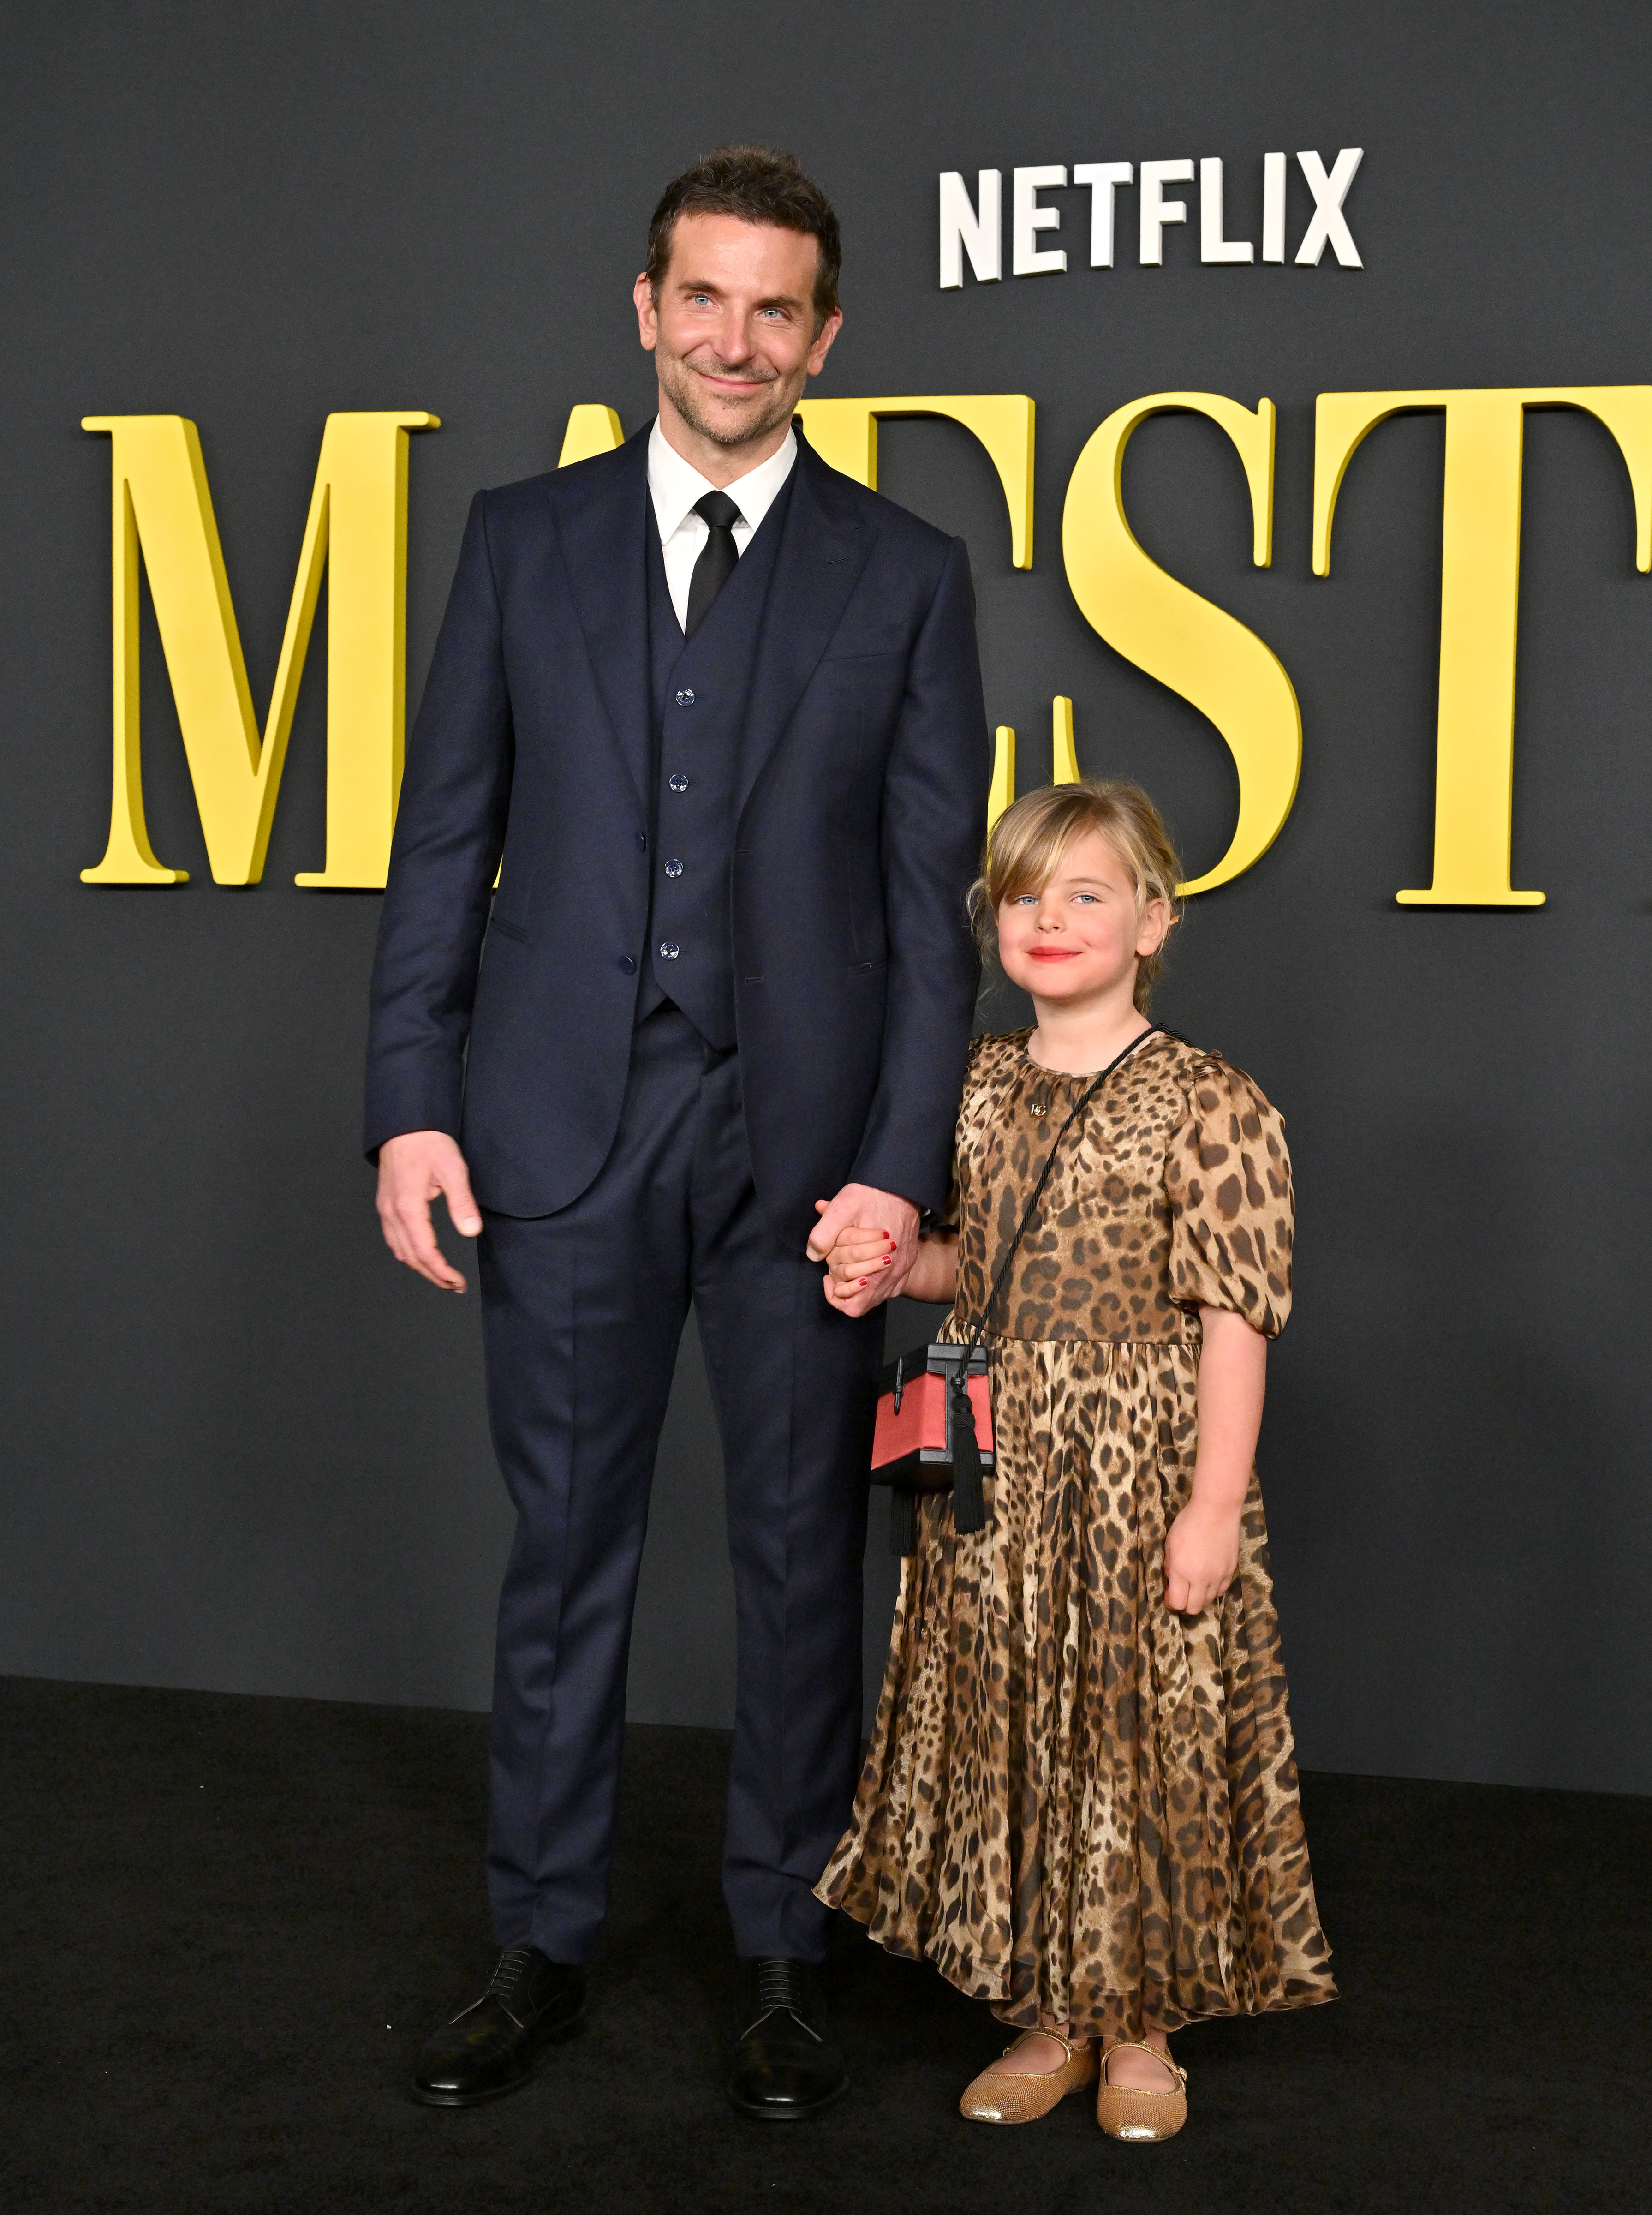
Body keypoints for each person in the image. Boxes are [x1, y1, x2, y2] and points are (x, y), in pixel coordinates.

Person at [363, 144, 989, 2117]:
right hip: (556, 1127)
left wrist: (898, 1166)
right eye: (701, 299)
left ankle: (784, 1954)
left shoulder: (905, 574)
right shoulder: (517, 540)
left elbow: (924, 912)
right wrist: (410, 1105)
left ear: (826, 338)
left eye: (774, 309)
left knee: (810, 1560)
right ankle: (539, 1939)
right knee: (565, 1553)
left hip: (805, 1154)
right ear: (645, 309)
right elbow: (441, 842)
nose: (736, 340)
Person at [817, 779, 1336, 2139]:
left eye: (1085, 893)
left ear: (1153, 920)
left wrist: (1210, 1505)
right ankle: (1048, 2016)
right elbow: (966, 1267)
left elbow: (1235, 1323)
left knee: (1131, 1742)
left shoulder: (1210, 1103)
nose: (1049, 919)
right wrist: (888, 1271)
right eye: (1023, 896)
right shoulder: (972, 1079)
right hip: (996, 1475)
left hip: (1138, 1473)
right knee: (1011, 1729)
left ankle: (1140, 2029)